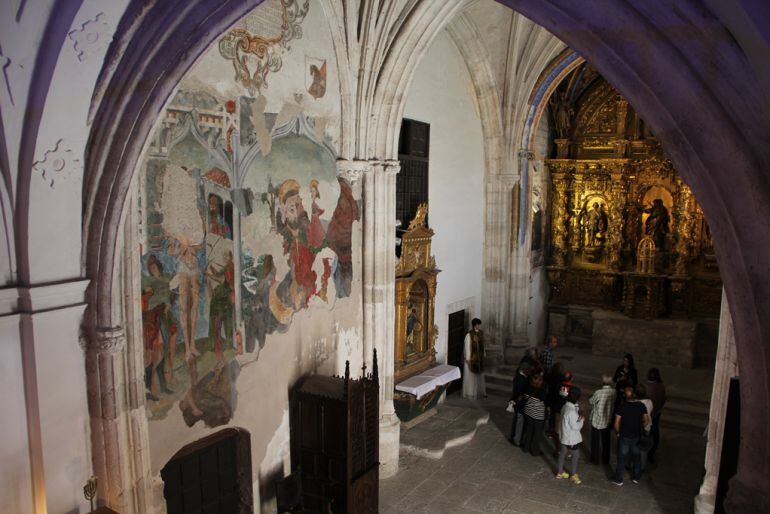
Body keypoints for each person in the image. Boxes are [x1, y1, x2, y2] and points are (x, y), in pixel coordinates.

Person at [611, 386, 650, 486]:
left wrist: (618, 432)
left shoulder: (622, 406)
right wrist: (640, 428)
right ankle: (636, 477)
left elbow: (616, 423)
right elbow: (646, 420)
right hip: (636, 436)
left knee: (622, 458)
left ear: (625, 395)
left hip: (624, 436)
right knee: (637, 457)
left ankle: (619, 479)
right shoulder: (641, 406)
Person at [556, 387, 584, 484]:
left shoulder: (565, 406)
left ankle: (560, 472)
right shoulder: (572, 412)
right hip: (571, 438)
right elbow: (575, 427)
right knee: (576, 455)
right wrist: (581, 421)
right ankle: (573, 475)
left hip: (564, 435)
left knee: (563, 453)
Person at [589, 374, 617, 465]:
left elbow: (591, 401)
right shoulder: (614, 392)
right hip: (607, 419)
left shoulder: (598, 392)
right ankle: (606, 460)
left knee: (595, 441)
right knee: (606, 441)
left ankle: (595, 459)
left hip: (597, 419)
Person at [521, 373, 547, 456]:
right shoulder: (542, 392)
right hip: (538, 416)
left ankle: (526, 448)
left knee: (529, 431)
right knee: (537, 434)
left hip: (528, 413)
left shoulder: (527, 388)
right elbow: (546, 401)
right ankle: (535, 451)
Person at [645, 368, 667, 464]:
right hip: (656, 414)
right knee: (654, 434)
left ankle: (645, 454)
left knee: (647, 435)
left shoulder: (647, 387)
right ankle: (650, 453)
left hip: (648, 415)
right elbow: (663, 400)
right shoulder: (661, 386)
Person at [462, 318, 486, 399]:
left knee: (479, 376)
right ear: (474, 325)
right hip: (471, 359)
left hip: (479, 358)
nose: (479, 326)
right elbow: (467, 347)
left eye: (479, 324)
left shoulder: (481, 333)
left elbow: (483, 345)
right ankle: (470, 393)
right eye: (478, 324)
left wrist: (484, 354)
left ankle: (479, 392)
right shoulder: (469, 335)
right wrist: (468, 358)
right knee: (471, 376)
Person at [509, 361, 531, 445]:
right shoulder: (521, 379)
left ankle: (514, 437)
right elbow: (519, 393)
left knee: (516, 421)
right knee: (519, 423)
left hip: (517, 402)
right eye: (528, 370)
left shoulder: (520, 376)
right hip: (519, 403)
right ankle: (517, 440)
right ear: (524, 370)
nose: (529, 372)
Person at [635, 383, 654, 471]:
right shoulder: (649, 401)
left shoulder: (636, 403)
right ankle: (642, 466)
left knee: (635, 447)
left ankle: (635, 465)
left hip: (639, 427)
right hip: (647, 427)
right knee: (643, 449)